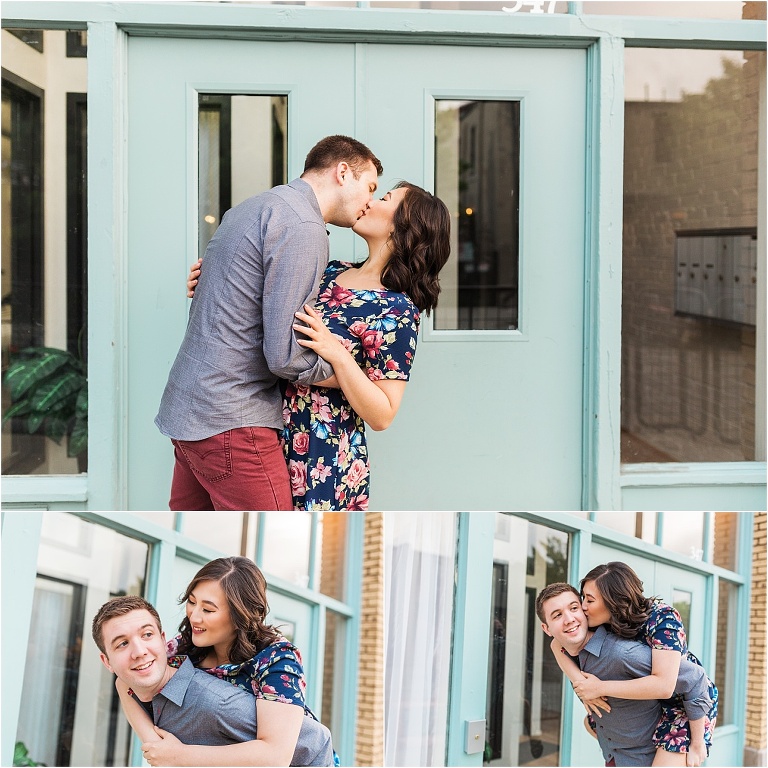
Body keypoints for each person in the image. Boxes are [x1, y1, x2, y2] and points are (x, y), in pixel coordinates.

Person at [188, 180, 451, 510]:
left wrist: (338, 355)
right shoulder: (330, 271)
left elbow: (383, 413)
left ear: (407, 227)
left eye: (384, 198)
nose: (369, 201)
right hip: (265, 427)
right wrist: (218, 282)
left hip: (321, 456)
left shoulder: (396, 311)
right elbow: (269, 321)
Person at [156, 135, 383, 511]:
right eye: (370, 187)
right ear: (343, 172)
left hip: (188, 413)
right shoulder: (303, 227)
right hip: (232, 420)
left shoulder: (255, 206)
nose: (369, 202)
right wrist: (348, 374)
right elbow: (285, 356)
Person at [111, 557, 335, 766]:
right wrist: (157, 748)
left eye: (208, 609)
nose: (194, 616)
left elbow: (275, 756)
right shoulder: (183, 645)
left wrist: (180, 756)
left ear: (241, 614)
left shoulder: (277, 658)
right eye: (192, 602)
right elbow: (125, 682)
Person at [549, 562, 718, 767]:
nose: (583, 606)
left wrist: (697, 742)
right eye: (583, 597)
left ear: (613, 602)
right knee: (590, 723)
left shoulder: (663, 619)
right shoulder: (607, 620)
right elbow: (556, 643)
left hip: (683, 703)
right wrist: (580, 684)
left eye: (589, 600)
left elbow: (666, 686)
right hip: (649, 707)